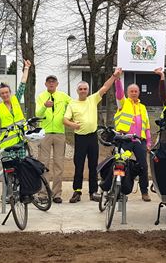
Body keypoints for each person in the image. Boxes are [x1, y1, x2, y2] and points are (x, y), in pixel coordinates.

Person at [62, 69, 121, 203]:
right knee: (79, 165)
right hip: (80, 138)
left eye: (85, 89)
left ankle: (93, 192)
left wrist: (114, 76)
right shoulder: (72, 103)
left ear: (88, 90)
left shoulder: (92, 99)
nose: (83, 91)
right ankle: (77, 192)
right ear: (77, 91)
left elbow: (105, 87)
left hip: (92, 137)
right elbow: (65, 120)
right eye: (81, 89)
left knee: (93, 166)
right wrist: (73, 125)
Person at [113, 69, 152, 202]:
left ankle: (144, 191)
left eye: (136, 91)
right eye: (131, 91)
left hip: (138, 141)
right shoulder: (123, 103)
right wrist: (118, 79)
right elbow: (119, 94)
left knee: (143, 166)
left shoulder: (143, 107)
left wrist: (148, 143)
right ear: (128, 93)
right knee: (121, 163)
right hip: (125, 139)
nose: (134, 93)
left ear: (139, 93)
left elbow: (147, 127)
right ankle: (119, 190)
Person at [35, 74, 71, 203]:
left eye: (53, 82)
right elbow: (37, 114)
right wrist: (45, 105)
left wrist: (69, 117)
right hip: (45, 133)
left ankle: (56, 194)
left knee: (59, 164)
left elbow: (73, 106)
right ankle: (43, 194)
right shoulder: (41, 97)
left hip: (60, 133)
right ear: (45, 84)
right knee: (43, 163)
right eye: (49, 82)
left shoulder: (63, 96)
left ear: (57, 84)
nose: (51, 84)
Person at [0, 60, 30, 149]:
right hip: (9, 142)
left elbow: (23, 83)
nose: (5, 95)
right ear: (0, 95)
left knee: (23, 162)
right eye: (2, 93)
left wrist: (26, 68)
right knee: (10, 163)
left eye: (6, 92)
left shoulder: (16, 99)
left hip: (22, 139)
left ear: (10, 92)